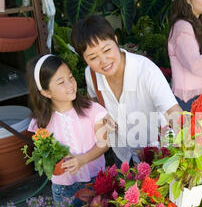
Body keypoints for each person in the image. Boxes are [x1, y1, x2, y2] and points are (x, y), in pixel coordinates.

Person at [71, 14, 181, 166]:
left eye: (107, 50)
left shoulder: (146, 71)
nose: (103, 61)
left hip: (158, 156)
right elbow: (93, 103)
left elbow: (174, 112)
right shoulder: (91, 74)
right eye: (93, 57)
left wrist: (194, 157)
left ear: (116, 40)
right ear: (84, 59)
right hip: (122, 154)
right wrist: (101, 116)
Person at [26, 54, 109, 207]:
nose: (70, 84)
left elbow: (104, 143)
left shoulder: (91, 110)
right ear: (46, 92)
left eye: (71, 77)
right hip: (64, 188)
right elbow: (44, 154)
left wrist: (82, 159)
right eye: (61, 82)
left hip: (95, 181)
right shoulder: (41, 122)